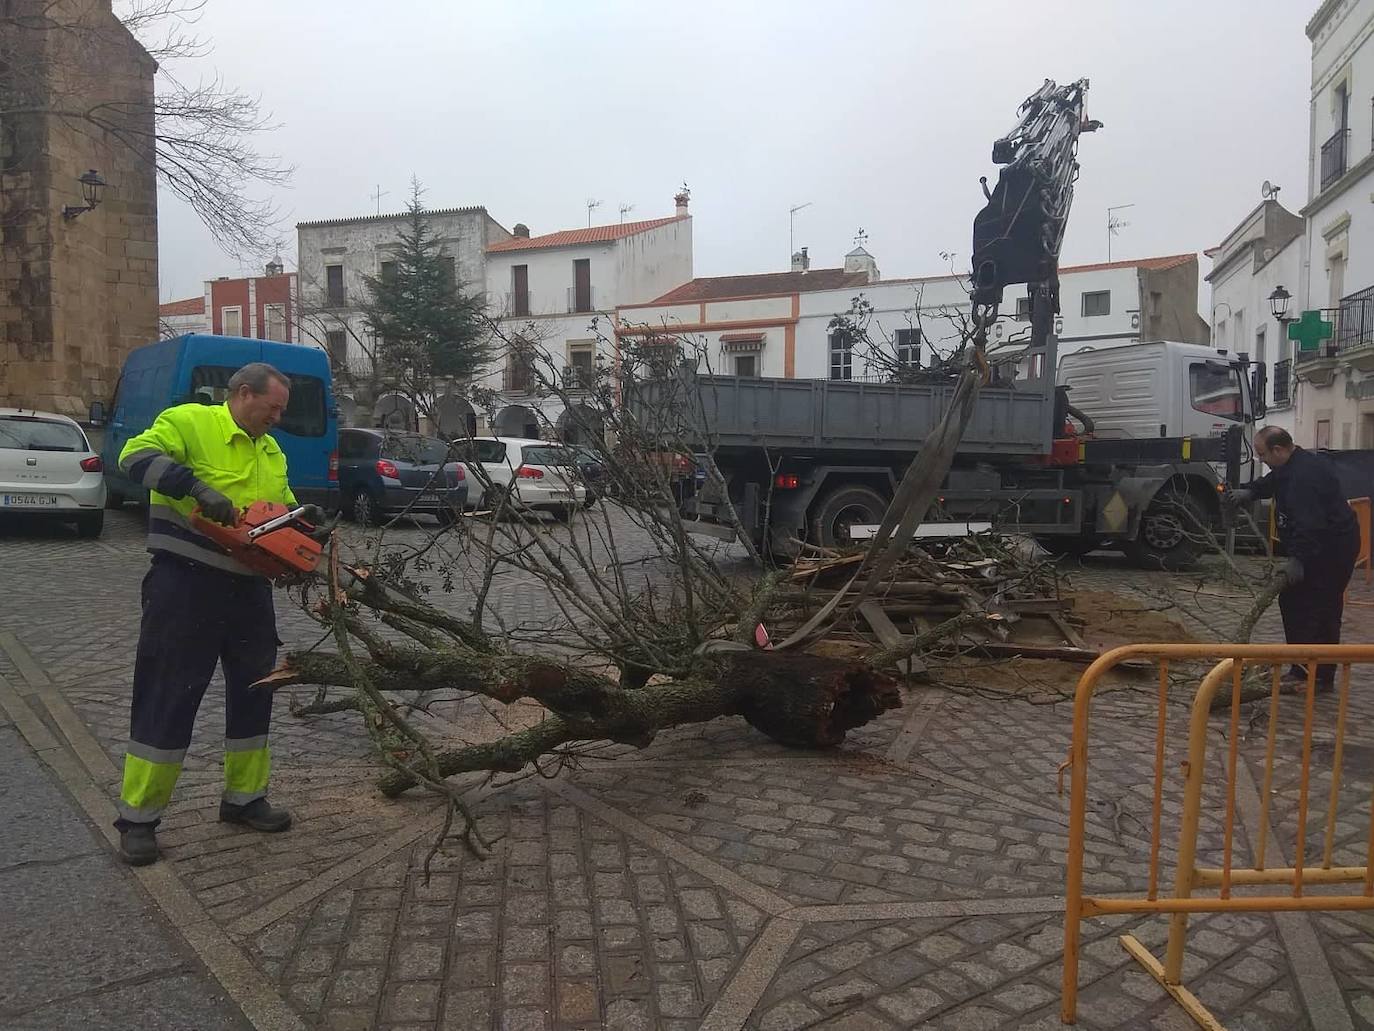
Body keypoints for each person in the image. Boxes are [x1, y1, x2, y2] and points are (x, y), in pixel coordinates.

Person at [113, 362, 324, 865]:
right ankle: (138, 819)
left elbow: (281, 511)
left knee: (256, 691)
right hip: (185, 585)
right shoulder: (190, 422)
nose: (277, 419)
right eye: (272, 408)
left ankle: (245, 799)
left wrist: (308, 526)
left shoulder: (270, 449)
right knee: (168, 694)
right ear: (243, 394)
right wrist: (194, 487)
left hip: (249, 592)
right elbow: (133, 456)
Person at [1229, 425, 1359, 690]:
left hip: (1330, 550)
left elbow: (1310, 524)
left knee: (1316, 608)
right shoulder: (1291, 465)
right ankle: (1307, 671)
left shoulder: (1305, 477)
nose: (1260, 459)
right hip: (1317, 546)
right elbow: (1274, 480)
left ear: (1278, 449)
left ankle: (1315, 676)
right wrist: (1251, 491)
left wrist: (1298, 560)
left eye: (1262, 454)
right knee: (1297, 602)